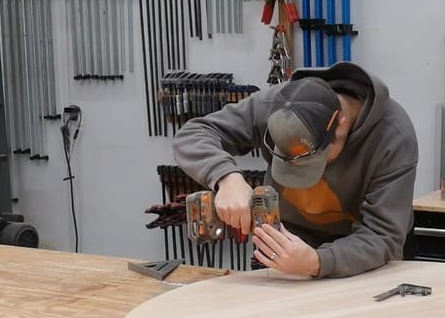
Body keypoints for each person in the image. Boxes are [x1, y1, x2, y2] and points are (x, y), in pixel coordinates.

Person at [172, 62, 419, 279]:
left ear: (340, 124)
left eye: (310, 160)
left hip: (362, 257)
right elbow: (193, 135)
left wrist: (317, 262)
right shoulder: (276, 105)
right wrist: (226, 177)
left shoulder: (393, 136)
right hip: (287, 246)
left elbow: (382, 236)